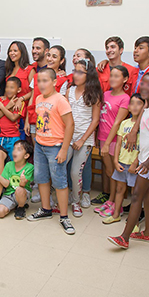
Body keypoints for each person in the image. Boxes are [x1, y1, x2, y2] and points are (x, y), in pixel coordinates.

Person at [107, 73, 149, 249]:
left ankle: (124, 237)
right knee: (148, 196)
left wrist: (148, 162)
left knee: (136, 197)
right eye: (143, 83)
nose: (143, 87)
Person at [27, 68, 75, 235]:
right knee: (41, 179)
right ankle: (46, 209)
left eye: (45, 80)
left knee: (59, 181)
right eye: (39, 81)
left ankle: (64, 217)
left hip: (55, 146)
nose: (41, 84)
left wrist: (63, 149)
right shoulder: (39, 98)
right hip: (40, 145)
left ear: (54, 82)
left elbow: (70, 125)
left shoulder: (60, 100)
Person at [65, 58, 101, 217]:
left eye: (80, 72)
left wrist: (81, 140)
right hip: (68, 137)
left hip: (84, 140)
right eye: (75, 71)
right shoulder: (69, 91)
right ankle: (62, 197)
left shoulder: (94, 94)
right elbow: (64, 115)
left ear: (89, 74)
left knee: (75, 172)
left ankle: (76, 201)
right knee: (59, 166)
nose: (76, 75)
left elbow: (95, 120)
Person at [101, 94, 144, 224]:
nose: (135, 106)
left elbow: (144, 147)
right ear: (128, 107)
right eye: (133, 103)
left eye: (139, 103)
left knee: (135, 193)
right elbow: (119, 143)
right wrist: (115, 161)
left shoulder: (143, 125)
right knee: (120, 188)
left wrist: (135, 163)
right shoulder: (124, 123)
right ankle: (115, 215)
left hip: (134, 165)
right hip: (121, 162)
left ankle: (134, 221)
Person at [92, 66, 130, 209]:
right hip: (102, 138)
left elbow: (117, 123)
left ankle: (114, 202)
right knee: (109, 171)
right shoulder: (105, 94)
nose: (113, 79)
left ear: (125, 79)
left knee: (114, 172)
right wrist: (99, 139)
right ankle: (111, 200)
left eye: (117, 76)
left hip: (113, 140)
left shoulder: (125, 98)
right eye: (111, 76)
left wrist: (107, 144)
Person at [0, 140, 34, 219]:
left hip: (22, 193)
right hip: (9, 194)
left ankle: (21, 207)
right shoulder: (9, 165)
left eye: (19, 149)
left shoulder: (30, 167)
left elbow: (22, 185)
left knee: (19, 190)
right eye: (14, 149)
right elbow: (6, 184)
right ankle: (14, 205)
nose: (15, 151)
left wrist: (23, 181)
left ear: (26, 156)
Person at [0, 77, 25, 160]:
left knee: (14, 160)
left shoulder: (19, 103)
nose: (8, 90)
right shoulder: (0, 100)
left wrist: (3, 108)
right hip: (0, 136)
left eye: (12, 87)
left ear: (18, 90)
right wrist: (8, 107)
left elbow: (13, 118)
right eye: (7, 87)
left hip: (13, 137)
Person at [5, 41, 35, 113]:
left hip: (23, 108)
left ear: (22, 53)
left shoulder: (29, 69)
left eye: (15, 51)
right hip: (10, 108)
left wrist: (21, 99)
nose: (12, 53)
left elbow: (34, 91)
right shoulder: (9, 69)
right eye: (10, 51)